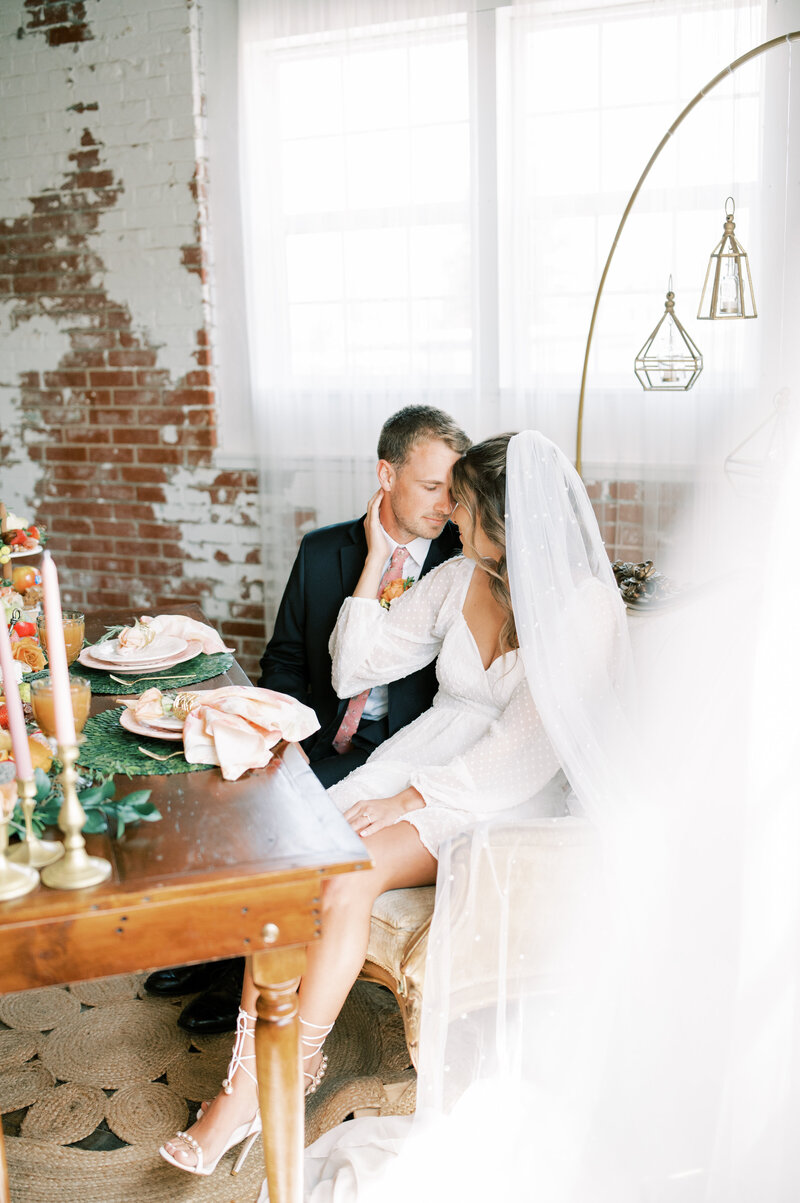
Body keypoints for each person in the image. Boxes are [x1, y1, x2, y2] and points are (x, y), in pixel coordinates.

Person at [158, 430, 627, 1178]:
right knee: (289, 862)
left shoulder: (587, 607)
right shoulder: (458, 576)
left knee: (345, 872)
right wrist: (377, 559)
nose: (450, 516)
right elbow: (354, 665)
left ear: (504, 521)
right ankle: (250, 1082)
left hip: (503, 803)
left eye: (464, 504)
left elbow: (526, 754)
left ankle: (254, 1092)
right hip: (424, 763)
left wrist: (415, 796)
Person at [144, 406, 469, 1033]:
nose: (445, 504)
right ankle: (217, 947)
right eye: (431, 487)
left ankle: (242, 973)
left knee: (284, 820)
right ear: (386, 474)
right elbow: (286, 658)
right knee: (229, 792)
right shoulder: (325, 550)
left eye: (454, 491)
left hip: (400, 749)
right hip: (320, 733)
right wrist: (282, 735)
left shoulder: (461, 559)